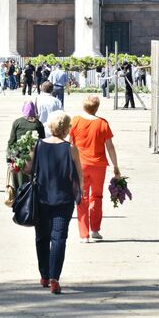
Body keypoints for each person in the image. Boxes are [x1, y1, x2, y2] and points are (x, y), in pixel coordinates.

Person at [33, 110, 83, 294]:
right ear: (66, 128)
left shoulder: (38, 145)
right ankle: (54, 278)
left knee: (42, 237)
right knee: (59, 237)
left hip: (41, 198)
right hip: (63, 199)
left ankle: (44, 275)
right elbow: (78, 173)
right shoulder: (70, 148)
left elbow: (29, 168)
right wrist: (81, 191)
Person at [69, 95, 120, 243]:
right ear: (97, 108)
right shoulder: (103, 123)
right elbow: (109, 146)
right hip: (99, 165)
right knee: (97, 197)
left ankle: (83, 234)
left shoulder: (75, 121)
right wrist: (115, 165)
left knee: (82, 198)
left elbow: (70, 143)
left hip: (80, 165)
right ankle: (95, 229)